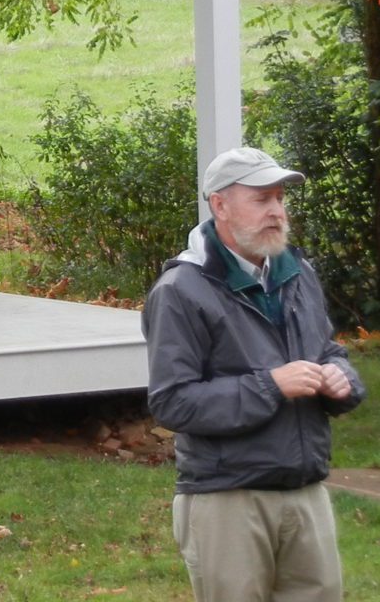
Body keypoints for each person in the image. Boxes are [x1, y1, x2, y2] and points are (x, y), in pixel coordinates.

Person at [142, 146, 366, 602]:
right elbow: (172, 402)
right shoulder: (180, 291)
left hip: (305, 492)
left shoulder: (298, 273)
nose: (277, 211)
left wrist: (340, 378)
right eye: (262, 199)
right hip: (227, 498)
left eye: (280, 199)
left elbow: (327, 349)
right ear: (219, 205)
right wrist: (271, 385)